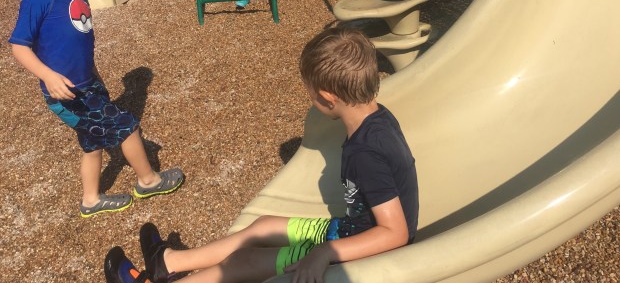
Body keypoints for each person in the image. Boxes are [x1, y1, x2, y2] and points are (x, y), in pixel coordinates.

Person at [104, 26, 419, 283]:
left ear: (327, 98)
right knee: (263, 226)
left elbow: (395, 233)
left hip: (358, 251)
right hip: (348, 229)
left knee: (243, 262)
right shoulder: (378, 118)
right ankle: (169, 262)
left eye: (310, 94)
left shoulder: (365, 153)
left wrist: (323, 253)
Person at [9, 0, 185, 218]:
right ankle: (148, 181)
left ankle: (91, 200)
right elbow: (19, 46)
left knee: (92, 143)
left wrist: (94, 74)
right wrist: (48, 76)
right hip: (68, 92)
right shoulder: (38, 0)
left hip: (87, 83)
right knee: (127, 126)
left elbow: (79, 42)